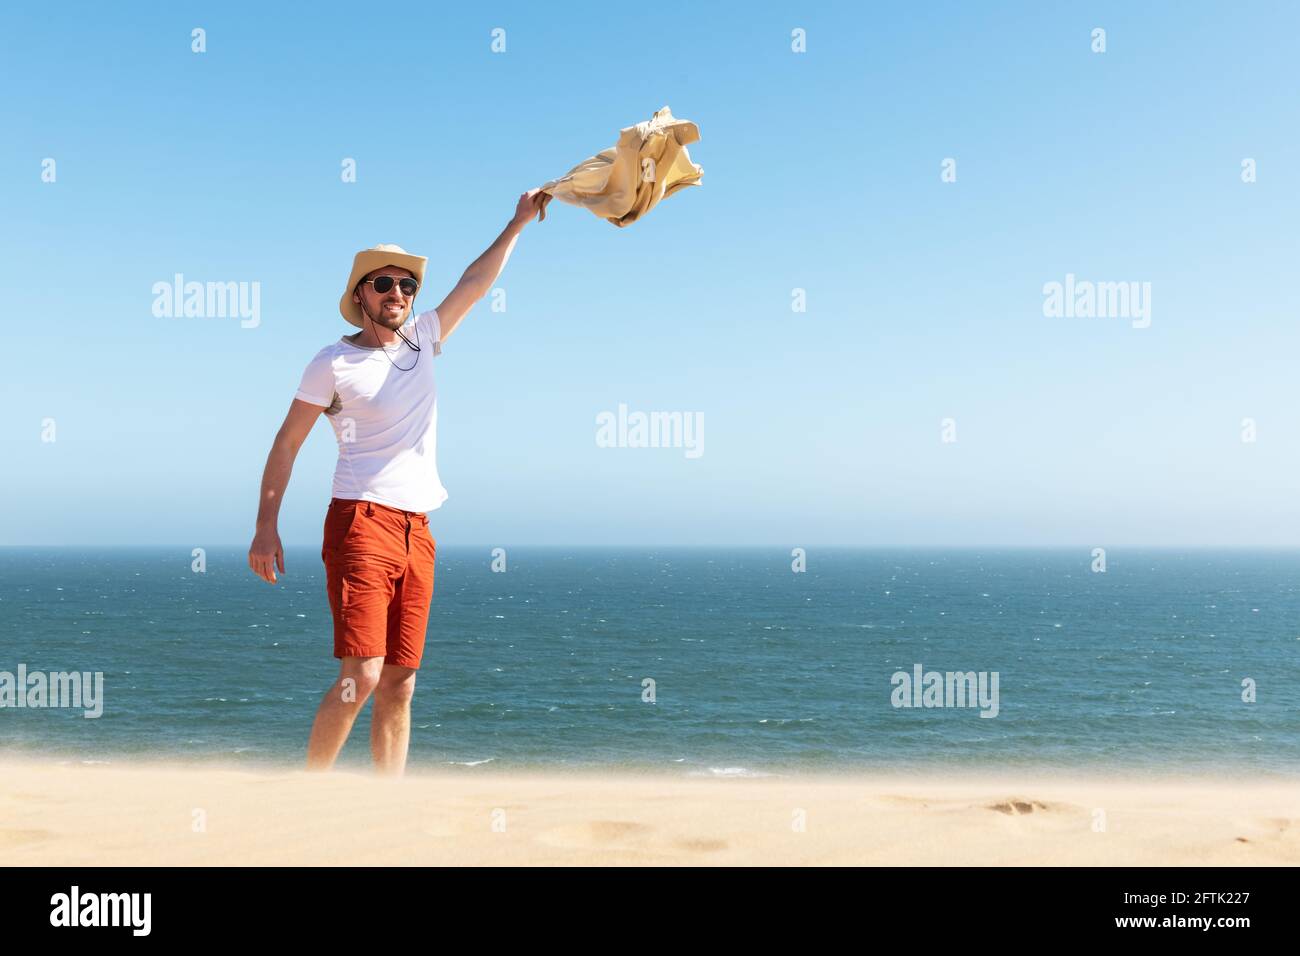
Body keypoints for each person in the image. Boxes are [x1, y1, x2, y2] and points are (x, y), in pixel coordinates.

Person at [248, 189, 547, 776]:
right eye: (384, 284)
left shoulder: (425, 339)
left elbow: (475, 282)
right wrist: (265, 527)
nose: (398, 294)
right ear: (360, 294)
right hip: (361, 521)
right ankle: (306, 793)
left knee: (400, 682)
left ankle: (388, 808)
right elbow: (286, 443)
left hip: (418, 529)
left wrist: (516, 223)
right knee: (360, 674)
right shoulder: (331, 362)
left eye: (407, 285)